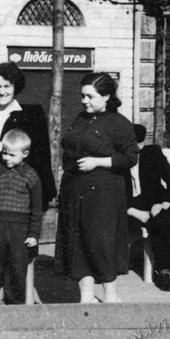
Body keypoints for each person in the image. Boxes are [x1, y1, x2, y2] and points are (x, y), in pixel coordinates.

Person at [0, 62, 56, 304]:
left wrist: (45, 191)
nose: (1, 91)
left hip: (19, 189)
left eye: (7, 86)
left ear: (15, 87)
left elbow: (40, 155)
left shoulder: (30, 112)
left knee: (21, 247)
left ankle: (24, 292)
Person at [55, 73, 138, 303]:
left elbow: (130, 157)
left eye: (90, 96)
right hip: (75, 190)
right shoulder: (81, 119)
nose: (84, 101)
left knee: (100, 243)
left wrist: (98, 162)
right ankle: (86, 297)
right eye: (82, 96)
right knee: (79, 242)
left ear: (106, 96)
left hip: (104, 194)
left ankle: (110, 296)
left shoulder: (119, 123)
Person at [0, 129, 42, 305]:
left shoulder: (31, 175)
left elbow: (37, 208)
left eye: (12, 155)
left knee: (17, 268)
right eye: (4, 153)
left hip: (19, 230)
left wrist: (33, 234)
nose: (6, 158)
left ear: (25, 154)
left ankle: (15, 305)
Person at [126, 124, 170, 291]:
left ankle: (163, 272)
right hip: (128, 205)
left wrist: (163, 203)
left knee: (165, 221)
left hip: (154, 202)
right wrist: (133, 211)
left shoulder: (152, 154)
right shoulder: (118, 158)